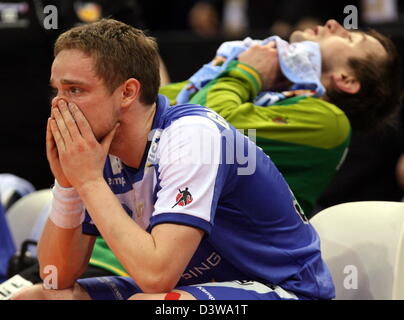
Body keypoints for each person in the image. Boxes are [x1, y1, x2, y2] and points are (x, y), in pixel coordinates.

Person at [12, 19, 334, 300]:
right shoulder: (93, 150)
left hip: (284, 289)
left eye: (75, 90)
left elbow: (156, 276)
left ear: (127, 93)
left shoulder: (192, 135)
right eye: (57, 90)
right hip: (198, 288)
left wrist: (88, 181)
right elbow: (55, 275)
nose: (59, 105)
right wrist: (69, 185)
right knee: (36, 297)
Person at [160, 19, 401, 217]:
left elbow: (205, 129)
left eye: (348, 38)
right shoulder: (270, 93)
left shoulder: (329, 121)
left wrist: (248, 72)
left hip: (239, 266)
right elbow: (158, 104)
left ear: (346, 79)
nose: (332, 23)